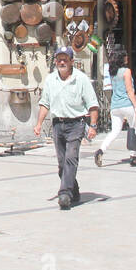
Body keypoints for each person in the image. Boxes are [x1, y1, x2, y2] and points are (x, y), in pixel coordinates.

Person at [33, 47, 99, 210]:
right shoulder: (50, 80)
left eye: (65, 59)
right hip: (58, 125)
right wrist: (39, 123)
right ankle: (74, 190)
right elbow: (45, 103)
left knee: (71, 158)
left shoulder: (81, 79)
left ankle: (65, 194)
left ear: (71, 61)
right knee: (62, 164)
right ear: (55, 61)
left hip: (76, 124)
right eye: (59, 59)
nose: (62, 62)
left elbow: (92, 104)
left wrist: (93, 126)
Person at [94, 52, 136, 167]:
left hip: (115, 105)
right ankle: (134, 156)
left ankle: (101, 150)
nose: (127, 57)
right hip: (127, 104)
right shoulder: (126, 71)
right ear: (122, 59)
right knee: (135, 128)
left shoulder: (112, 72)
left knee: (115, 131)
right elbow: (129, 90)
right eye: (125, 56)